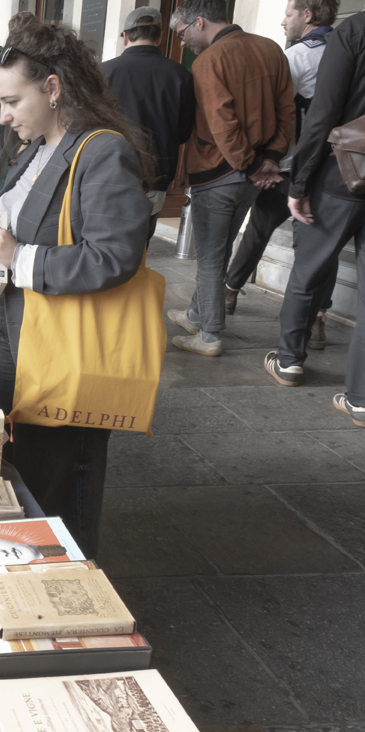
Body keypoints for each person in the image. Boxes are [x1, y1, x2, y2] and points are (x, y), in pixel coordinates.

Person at [0, 14, 154, 555]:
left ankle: (71, 596)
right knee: (31, 481)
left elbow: (116, 255)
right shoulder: (38, 149)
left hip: (62, 353)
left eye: (12, 101)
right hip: (21, 342)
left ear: (52, 88)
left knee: (58, 488)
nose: (4, 117)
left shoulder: (100, 151)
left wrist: (19, 256)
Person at [165, 0, 294, 357]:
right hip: (253, 176)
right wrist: (269, 159)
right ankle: (196, 313)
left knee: (209, 256)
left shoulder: (208, 61)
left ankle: (209, 335)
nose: (182, 42)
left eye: (182, 33)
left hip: (218, 173)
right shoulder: (271, 48)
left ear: (200, 22)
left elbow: (222, 123)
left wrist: (251, 164)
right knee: (218, 250)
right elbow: (288, 111)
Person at [227, 0, 338, 348]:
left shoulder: (297, 57)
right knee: (324, 248)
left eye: (288, 13)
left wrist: (262, 160)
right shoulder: (346, 51)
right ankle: (318, 320)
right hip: (335, 168)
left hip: (290, 165)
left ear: (307, 15)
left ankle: (229, 292)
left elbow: (272, 110)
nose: (282, 21)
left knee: (258, 229)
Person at [279, 9, 365, 425]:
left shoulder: (354, 29)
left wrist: (299, 183)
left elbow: (324, 112)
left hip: (341, 174)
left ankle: (290, 359)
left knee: (308, 270)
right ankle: (361, 397)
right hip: (344, 174)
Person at [100, 7, 195, 241]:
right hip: (157, 175)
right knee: (141, 245)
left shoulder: (102, 72)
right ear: (160, 38)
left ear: (125, 36)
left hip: (107, 171)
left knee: (103, 240)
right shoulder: (180, 74)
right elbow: (183, 132)